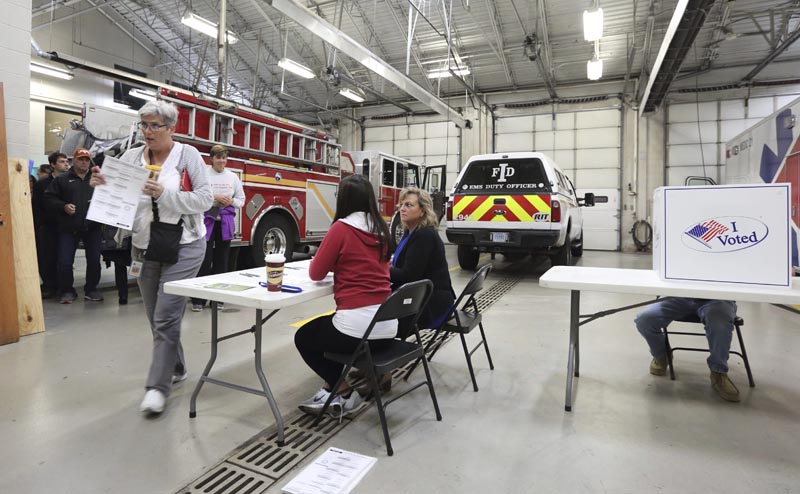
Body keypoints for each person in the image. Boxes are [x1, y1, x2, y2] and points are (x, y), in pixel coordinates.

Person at [91, 100, 213, 414]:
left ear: (171, 128)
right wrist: (103, 187)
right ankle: (176, 368)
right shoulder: (131, 157)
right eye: (143, 124)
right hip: (143, 247)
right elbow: (120, 200)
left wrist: (164, 194)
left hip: (184, 244)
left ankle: (157, 388)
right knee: (155, 316)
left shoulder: (188, 156)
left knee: (166, 316)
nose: (147, 131)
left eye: (155, 125)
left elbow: (205, 199)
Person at [294, 174, 396, 417]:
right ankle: (331, 388)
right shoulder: (381, 229)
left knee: (305, 338)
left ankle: (343, 390)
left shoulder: (341, 228)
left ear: (344, 201)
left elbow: (316, 272)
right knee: (330, 330)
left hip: (358, 327)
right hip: (388, 325)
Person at [634, 297, 740, 402]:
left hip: (717, 299)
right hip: (678, 296)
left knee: (720, 325)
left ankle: (718, 372)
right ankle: (662, 355)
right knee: (644, 319)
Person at [44, 148, 103, 304]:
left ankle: (91, 289)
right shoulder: (62, 179)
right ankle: (67, 291)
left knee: (94, 261)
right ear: (73, 161)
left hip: (93, 227)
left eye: (86, 159)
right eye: (80, 159)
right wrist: (63, 206)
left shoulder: (98, 179)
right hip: (69, 228)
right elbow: (49, 199)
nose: (84, 162)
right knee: (65, 261)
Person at [191, 145, 244, 312]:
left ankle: (218, 299)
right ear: (211, 159)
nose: (222, 161)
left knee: (222, 261)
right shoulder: (204, 175)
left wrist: (231, 202)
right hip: (206, 222)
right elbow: (196, 193)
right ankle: (198, 299)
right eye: (218, 157)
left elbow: (241, 200)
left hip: (225, 223)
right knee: (204, 260)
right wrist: (214, 197)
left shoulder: (233, 177)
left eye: (224, 158)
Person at [34, 160, 62, 299]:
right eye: (62, 161)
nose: (66, 164)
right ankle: (49, 286)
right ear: (53, 164)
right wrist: (38, 225)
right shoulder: (42, 184)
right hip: (46, 226)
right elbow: (36, 206)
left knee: (61, 258)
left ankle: (59, 286)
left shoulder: (65, 181)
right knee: (46, 258)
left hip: (62, 226)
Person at [100, 225, 132, 305]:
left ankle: (123, 295)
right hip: (121, 232)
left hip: (119, 232)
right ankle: (123, 294)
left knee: (120, 264)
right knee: (121, 263)